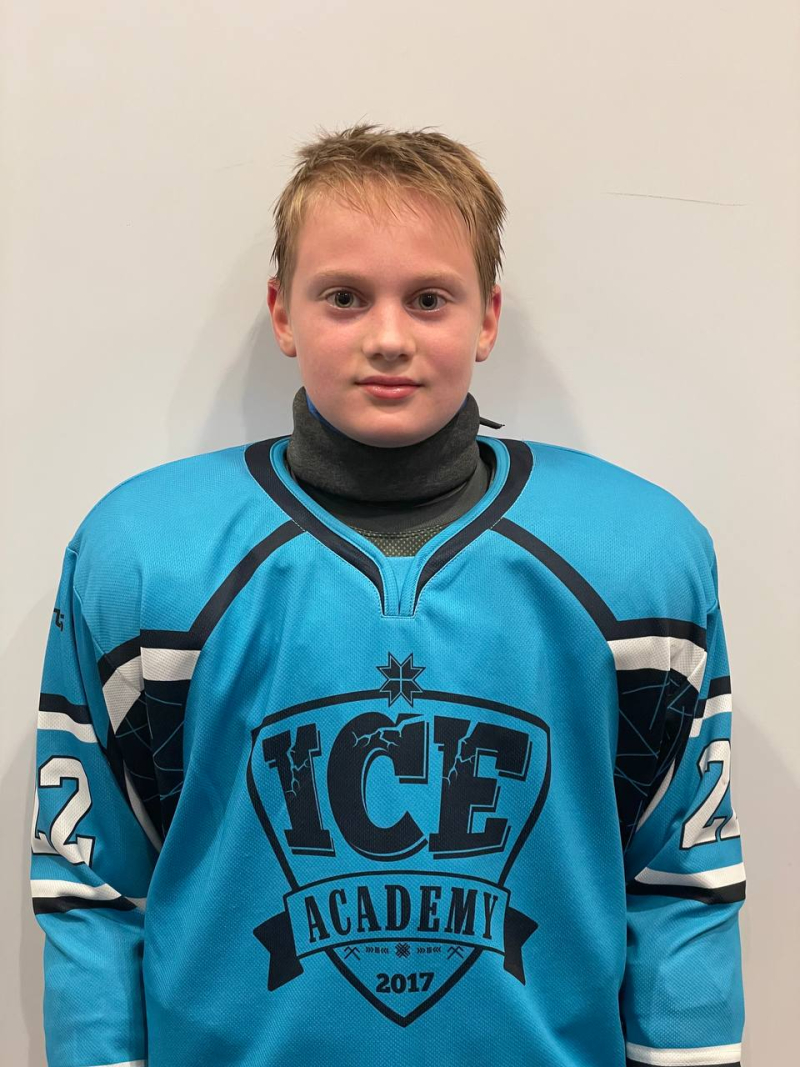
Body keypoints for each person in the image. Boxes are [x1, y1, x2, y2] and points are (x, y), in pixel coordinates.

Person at [30, 122, 745, 1067]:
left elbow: (682, 883)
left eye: (429, 298)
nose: (389, 338)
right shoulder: (140, 555)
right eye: (344, 297)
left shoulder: (639, 557)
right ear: (283, 313)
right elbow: (92, 888)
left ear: (487, 318)